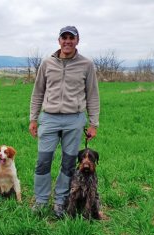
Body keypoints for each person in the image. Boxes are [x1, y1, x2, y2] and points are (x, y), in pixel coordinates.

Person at [29, 26, 100, 218]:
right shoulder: (47, 63)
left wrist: (93, 123)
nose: (67, 41)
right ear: (59, 40)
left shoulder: (86, 65)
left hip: (74, 120)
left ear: (77, 40)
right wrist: (33, 119)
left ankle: (61, 201)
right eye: (64, 37)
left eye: (71, 38)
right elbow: (38, 93)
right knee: (43, 161)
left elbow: (92, 95)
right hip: (49, 118)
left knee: (68, 164)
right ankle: (41, 201)